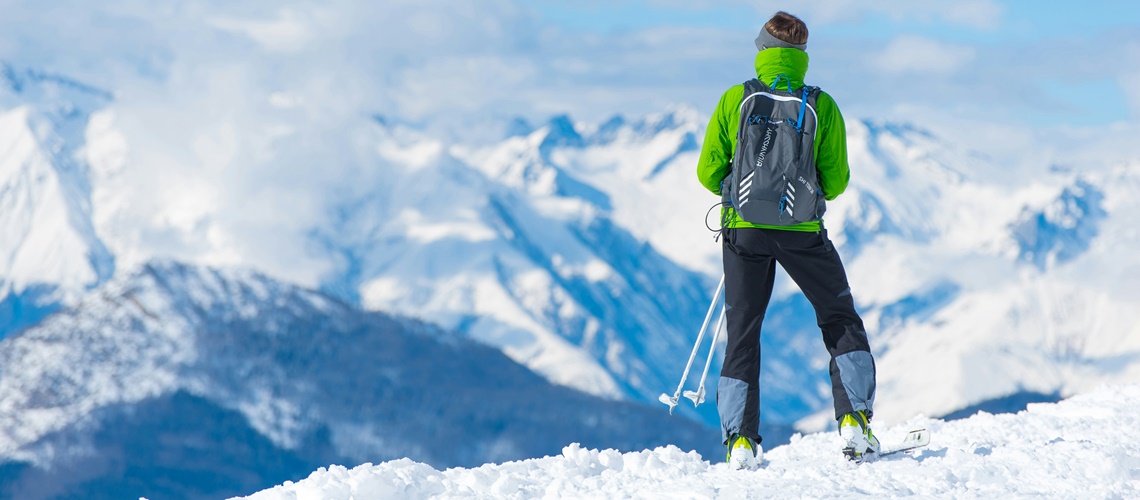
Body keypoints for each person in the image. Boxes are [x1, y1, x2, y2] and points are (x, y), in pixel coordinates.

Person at [695, 11, 879, 470]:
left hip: (744, 230)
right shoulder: (822, 104)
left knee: (743, 330)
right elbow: (836, 181)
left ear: (761, 50)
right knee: (838, 317)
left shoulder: (736, 100)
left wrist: (740, 192)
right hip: (801, 232)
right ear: (803, 55)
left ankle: (740, 441)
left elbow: (706, 171)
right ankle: (854, 419)